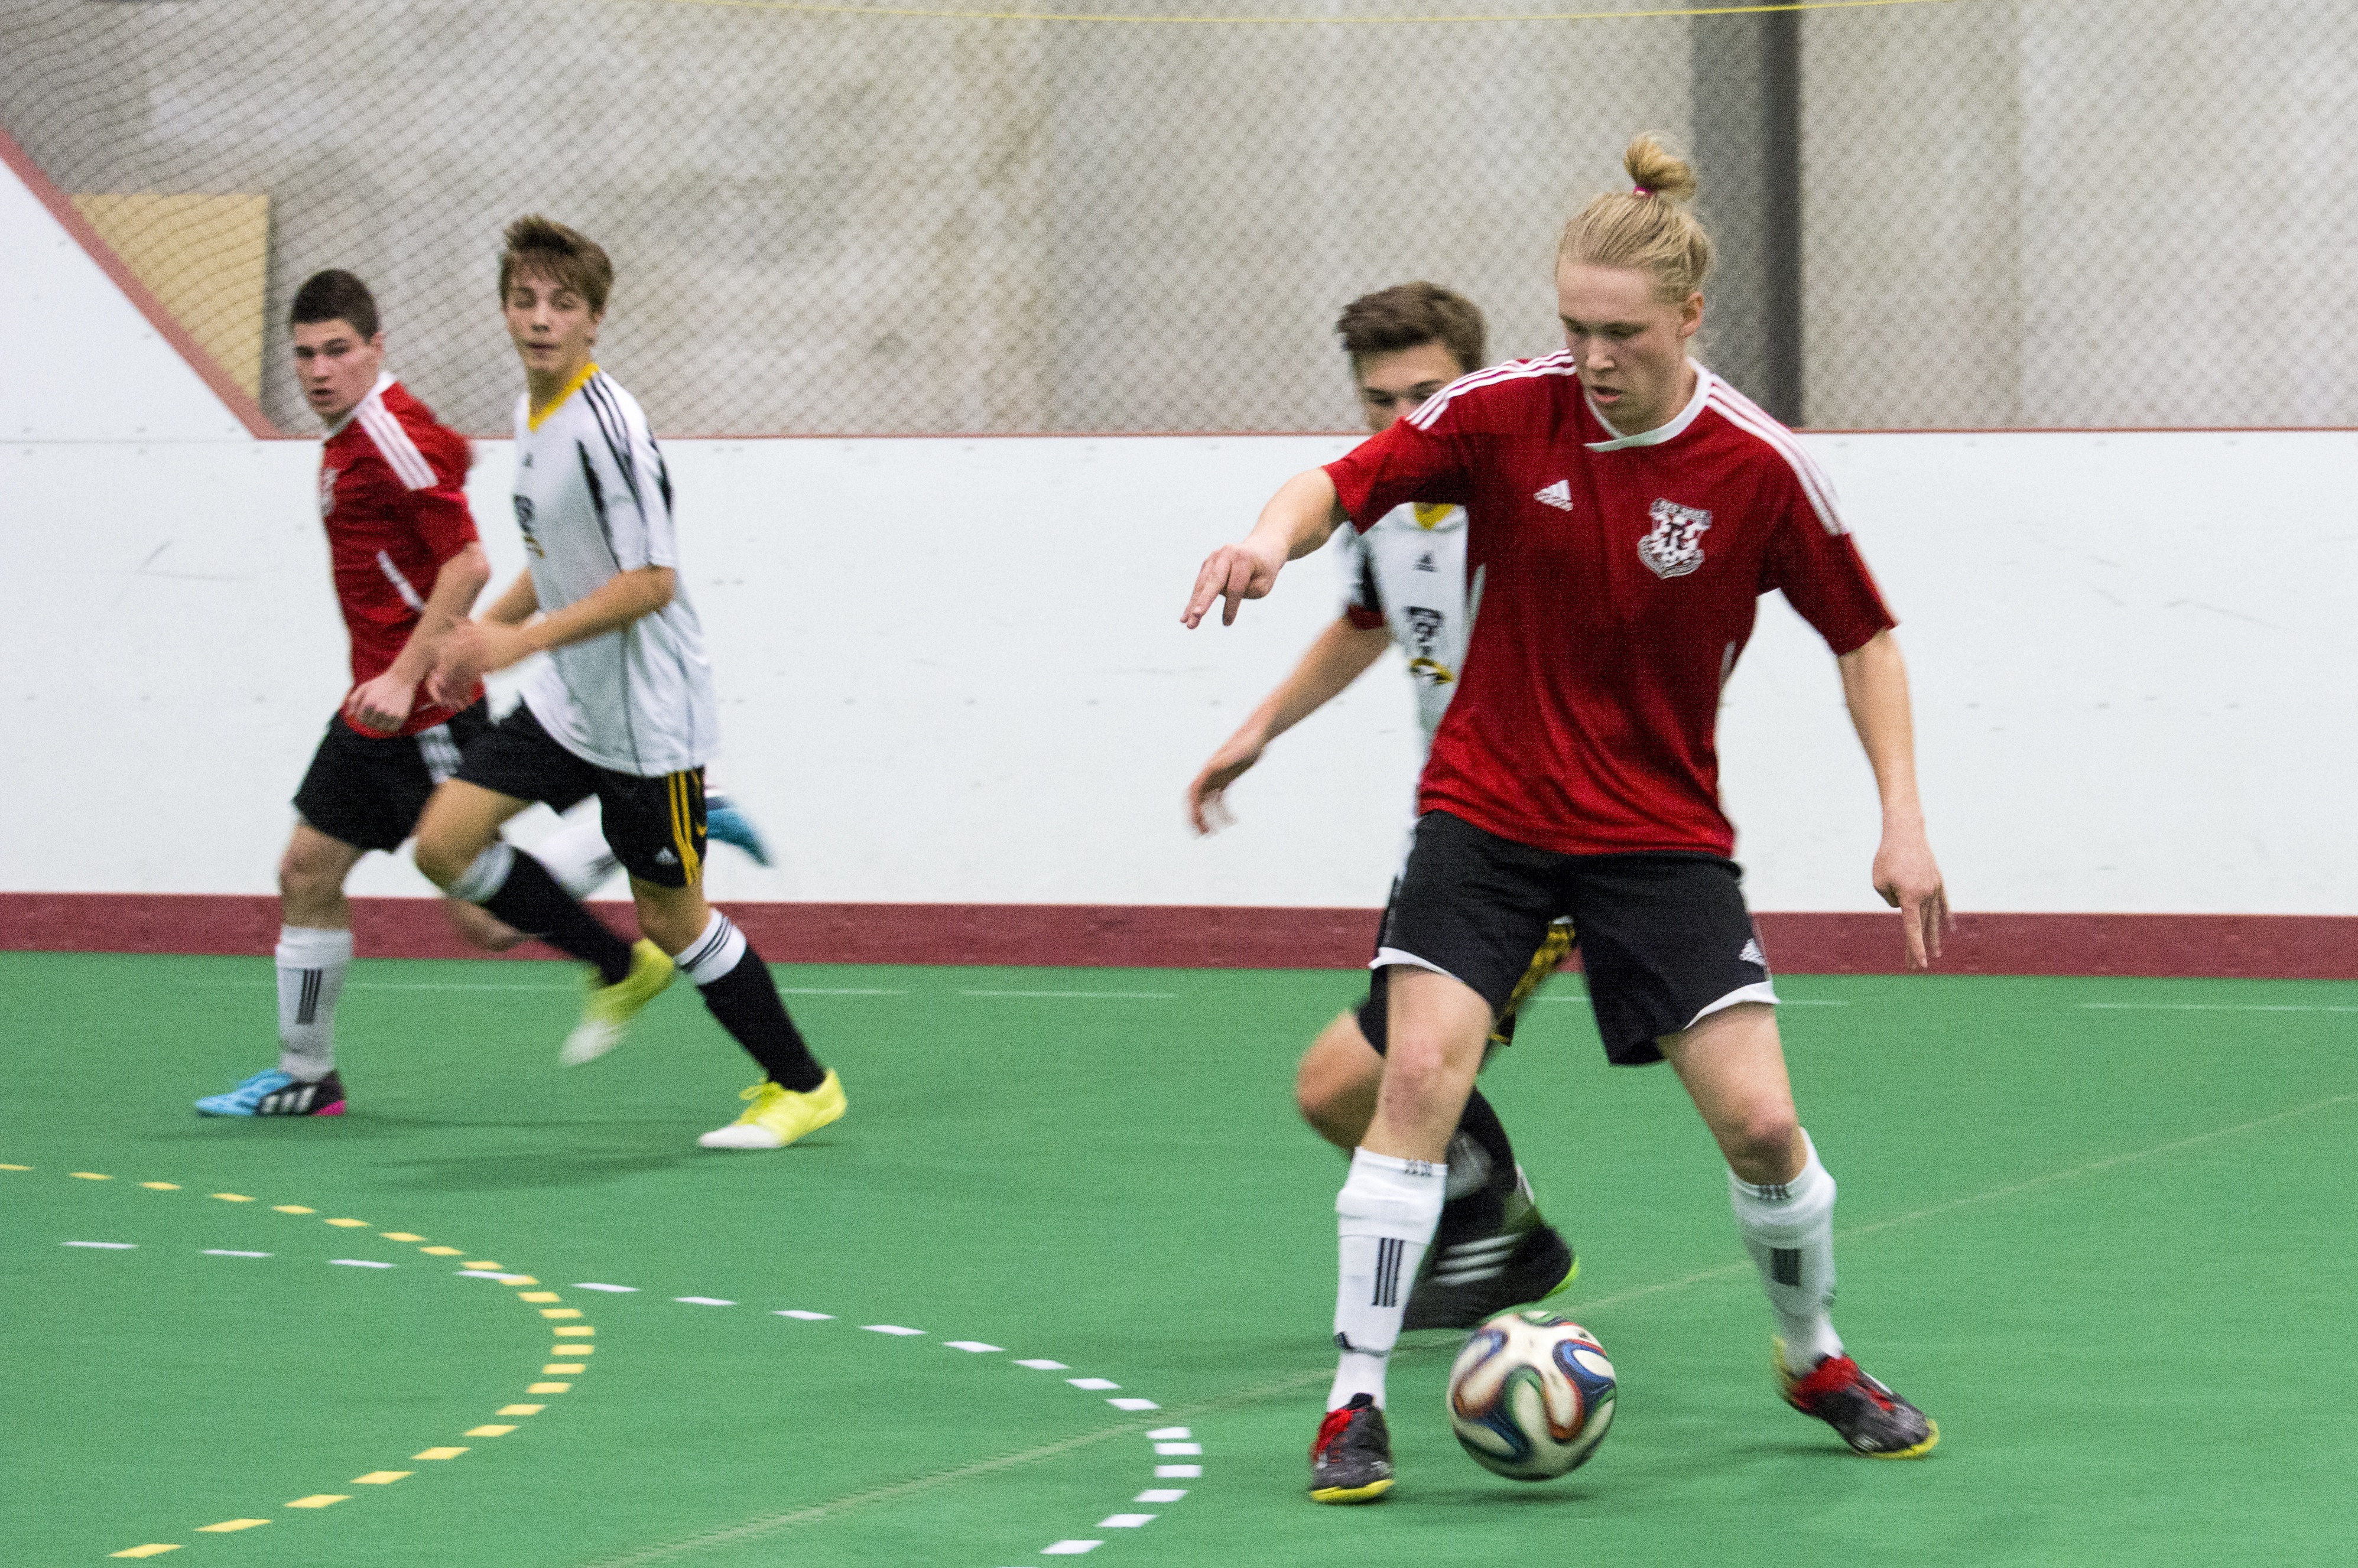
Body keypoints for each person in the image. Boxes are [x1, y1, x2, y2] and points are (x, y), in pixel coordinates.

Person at [1184, 136, 1947, 1502]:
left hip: (1659, 834)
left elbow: (1867, 638)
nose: (1591, 357)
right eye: (1574, 327)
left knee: (1768, 1131)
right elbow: (1337, 487)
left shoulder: (1761, 468)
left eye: (1622, 333)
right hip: (1486, 814)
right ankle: (1354, 1403)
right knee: (1410, 1084)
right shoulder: (1502, 411)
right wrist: (1261, 535)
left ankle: (1814, 1354)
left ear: (1690, 320)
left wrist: (1904, 821)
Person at [1187, 282, 1574, 1332]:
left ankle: (1495, 1223)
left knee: (1355, 1081)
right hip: (1456, 838)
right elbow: (1368, 623)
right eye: (1378, 401)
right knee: (1337, 1091)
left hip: (1557, 841)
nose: (1405, 422)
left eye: (1429, 393)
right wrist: (1260, 727)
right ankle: (1496, 1226)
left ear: (1479, 384)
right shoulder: (1384, 507)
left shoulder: (1540, 492)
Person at [411, 216, 844, 1151]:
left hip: (648, 716)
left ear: (595, 320)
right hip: (575, 698)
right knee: (443, 844)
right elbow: (555, 556)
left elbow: (651, 582)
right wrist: (493, 630)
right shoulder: (534, 413)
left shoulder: (611, 427)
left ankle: (802, 1085)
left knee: (677, 920)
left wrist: (513, 648)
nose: (540, 318)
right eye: (524, 300)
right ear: (503, 309)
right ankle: (615, 968)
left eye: (562, 304)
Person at [196, 269, 514, 1118]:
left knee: (486, 922)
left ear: (377, 348)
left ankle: (656, 855)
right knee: (305, 870)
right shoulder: (348, 436)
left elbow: (471, 561)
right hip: (372, 713)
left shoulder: (383, 433)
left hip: (428, 712)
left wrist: (407, 674)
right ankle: (307, 1077)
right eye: (303, 355)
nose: (317, 369)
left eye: (338, 350)